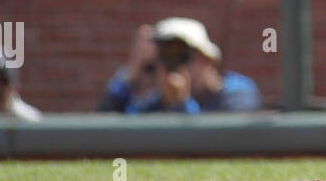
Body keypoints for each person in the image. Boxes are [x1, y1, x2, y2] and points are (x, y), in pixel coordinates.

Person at [98, 18, 261, 113]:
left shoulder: (237, 93)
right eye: (165, 54)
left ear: (206, 59)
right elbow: (107, 130)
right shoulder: (155, 102)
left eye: (182, 55)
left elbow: (217, 143)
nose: (173, 63)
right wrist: (131, 73)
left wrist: (181, 104)